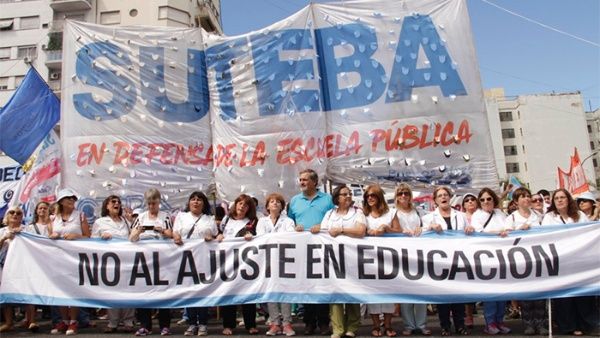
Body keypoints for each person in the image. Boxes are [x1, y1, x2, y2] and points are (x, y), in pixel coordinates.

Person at [542, 189, 599, 336]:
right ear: (553, 202)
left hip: (579, 261)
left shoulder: (579, 215)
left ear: (568, 200)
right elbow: (544, 237)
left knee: (582, 294)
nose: (560, 200)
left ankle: (585, 323)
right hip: (561, 261)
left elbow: (589, 232)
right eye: (557, 198)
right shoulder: (549, 217)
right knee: (564, 296)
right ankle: (568, 325)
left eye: (563, 197)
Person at [287, 169, 334, 335]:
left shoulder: (328, 199)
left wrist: (322, 227)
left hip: (322, 249)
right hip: (302, 249)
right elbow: (289, 222)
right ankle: (308, 322)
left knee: (322, 285)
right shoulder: (294, 201)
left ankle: (323, 323)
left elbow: (334, 219)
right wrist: (295, 228)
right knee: (306, 285)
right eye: (300, 179)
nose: (302, 182)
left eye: (305, 180)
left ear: (315, 182)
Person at [421, 186, 468, 336]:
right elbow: (420, 233)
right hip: (439, 262)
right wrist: (430, 227)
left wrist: (470, 229)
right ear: (435, 200)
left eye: (445, 195)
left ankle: (460, 324)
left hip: (458, 259)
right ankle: (445, 326)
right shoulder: (429, 218)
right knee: (443, 295)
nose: (443, 197)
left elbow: (470, 233)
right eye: (440, 196)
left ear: (450, 197)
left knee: (458, 294)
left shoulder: (460, 216)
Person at [321, 185, 366, 338]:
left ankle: (352, 326)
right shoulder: (329, 213)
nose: (348, 196)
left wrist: (341, 230)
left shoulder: (357, 212)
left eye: (349, 194)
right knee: (335, 293)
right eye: (344, 194)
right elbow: (323, 231)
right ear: (337, 198)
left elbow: (360, 231)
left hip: (353, 258)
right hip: (333, 259)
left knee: (351, 292)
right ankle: (337, 328)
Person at [129, 188, 173, 337]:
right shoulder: (140, 217)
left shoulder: (165, 216)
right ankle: (145, 325)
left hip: (161, 259)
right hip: (144, 259)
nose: (151, 206)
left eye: (154, 203)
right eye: (149, 203)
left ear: (159, 202)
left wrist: (161, 230)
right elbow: (131, 238)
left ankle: (164, 325)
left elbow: (171, 234)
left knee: (163, 292)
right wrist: (139, 231)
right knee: (144, 292)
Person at [173, 191, 217, 336]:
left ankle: (203, 323)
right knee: (190, 292)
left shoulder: (209, 218)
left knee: (202, 291)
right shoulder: (181, 216)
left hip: (204, 259)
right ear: (189, 202)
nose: (196, 202)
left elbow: (216, 235)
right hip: (186, 259)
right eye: (193, 199)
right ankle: (192, 323)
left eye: (199, 200)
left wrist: (211, 237)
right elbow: (175, 232)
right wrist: (177, 237)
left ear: (203, 203)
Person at [467, 188, 510, 335]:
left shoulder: (500, 214)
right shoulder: (477, 215)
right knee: (491, 292)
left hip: (503, 257)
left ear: (494, 200)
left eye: (489, 199)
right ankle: (490, 322)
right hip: (486, 259)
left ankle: (500, 321)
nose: (486, 202)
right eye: (483, 199)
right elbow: (479, 234)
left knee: (503, 292)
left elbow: (509, 229)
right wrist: (498, 233)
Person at [49, 188, 90, 336]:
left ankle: (73, 321)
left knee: (73, 289)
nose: (72, 201)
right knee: (60, 289)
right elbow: (49, 236)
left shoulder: (80, 216)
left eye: (73, 198)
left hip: (75, 258)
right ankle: (63, 321)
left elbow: (88, 237)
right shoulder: (53, 218)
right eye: (69, 198)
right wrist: (52, 235)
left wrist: (76, 236)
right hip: (58, 258)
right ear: (61, 202)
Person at [91, 195, 134, 333]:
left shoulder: (125, 221)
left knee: (128, 291)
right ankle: (113, 322)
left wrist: (132, 221)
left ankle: (128, 321)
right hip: (109, 263)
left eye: (119, 202)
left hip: (127, 261)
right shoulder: (100, 222)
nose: (117, 204)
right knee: (112, 291)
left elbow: (133, 238)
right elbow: (92, 243)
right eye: (113, 202)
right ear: (107, 206)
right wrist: (101, 239)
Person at [217, 194, 259, 336]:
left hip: (247, 262)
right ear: (235, 204)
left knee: (248, 293)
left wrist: (251, 237)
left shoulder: (253, 221)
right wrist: (220, 236)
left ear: (249, 208)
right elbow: (220, 233)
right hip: (228, 262)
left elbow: (260, 237)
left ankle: (250, 324)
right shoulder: (226, 219)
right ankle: (228, 324)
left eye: (245, 205)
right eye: (240, 203)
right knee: (229, 292)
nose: (242, 206)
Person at [256, 193, 296, 337]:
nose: (275, 204)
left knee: (285, 291)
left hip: (284, 260)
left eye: (278, 202)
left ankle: (287, 323)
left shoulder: (288, 221)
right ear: (267, 206)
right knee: (271, 291)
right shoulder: (262, 222)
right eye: (272, 202)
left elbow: (290, 237)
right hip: (267, 261)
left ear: (282, 206)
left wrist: (273, 238)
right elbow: (261, 238)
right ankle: (275, 323)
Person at [362, 184, 397, 337]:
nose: (370, 198)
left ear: (379, 197)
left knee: (388, 291)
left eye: (373, 195)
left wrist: (386, 228)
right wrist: (366, 231)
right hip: (369, 259)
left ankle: (388, 324)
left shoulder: (390, 213)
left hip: (388, 258)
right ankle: (376, 325)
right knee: (372, 292)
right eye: (367, 196)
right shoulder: (363, 215)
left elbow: (399, 232)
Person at [0, 206, 39, 333]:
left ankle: (31, 320)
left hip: (23, 264)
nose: (15, 215)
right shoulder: (2, 231)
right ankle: (9, 322)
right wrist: (5, 238)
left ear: (22, 216)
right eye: (12, 212)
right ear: (7, 216)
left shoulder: (27, 229)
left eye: (18, 213)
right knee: (6, 292)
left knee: (28, 291)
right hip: (5, 265)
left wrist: (22, 235)